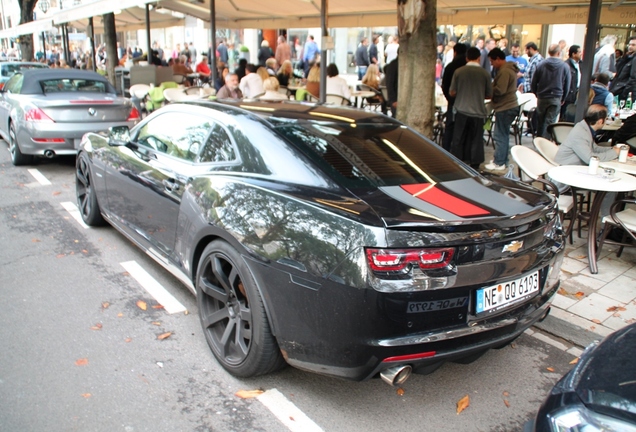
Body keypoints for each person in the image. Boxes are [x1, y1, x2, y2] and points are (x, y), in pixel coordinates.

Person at [449, 47, 493, 169]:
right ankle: (475, 163)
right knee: (476, 139)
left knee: (458, 137)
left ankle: (457, 161)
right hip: (478, 111)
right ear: (479, 58)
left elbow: (452, 92)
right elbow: (489, 94)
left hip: (461, 109)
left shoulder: (459, 72)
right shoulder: (485, 74)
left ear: (467, 58)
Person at [484, 48, 520, 171]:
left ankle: (499, 162)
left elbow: (500, 90)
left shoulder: (504, 71)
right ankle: (502, 160)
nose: (491, 64)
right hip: (509, 106)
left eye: (492, 61)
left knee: (500, 135)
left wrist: (490, 90)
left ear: (498, 59)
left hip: (505, 107)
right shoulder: (509, 69)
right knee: (503, 135)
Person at [555, 105, 619, 166]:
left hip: (574, 167)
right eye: (606, 119)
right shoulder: (580, 133)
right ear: (600, 121)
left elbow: (594, 148)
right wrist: (614, 153)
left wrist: (612, 149)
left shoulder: (585, 128)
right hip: (565, 169)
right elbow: (590, 159)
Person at [531, 44, 571, 139]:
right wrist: (564, 97)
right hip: (556, 96)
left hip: (542, 96)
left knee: (541, 120)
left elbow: (534, 81)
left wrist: (536, 93)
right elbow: (567, 84)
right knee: (550, 121)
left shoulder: (541, 64)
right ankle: (545, 142)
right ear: (558, 52)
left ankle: (539, 140)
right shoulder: (564, 66)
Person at [442, 42, 468, 152]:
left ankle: (446, 150)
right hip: (467, 102)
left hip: (453, 101)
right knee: (464, 129)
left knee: (450, 127)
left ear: (455, 52)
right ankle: (460, 152)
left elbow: (445, 85)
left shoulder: (450, 67)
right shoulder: (467, 67)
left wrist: (449, 98)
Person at [610, 36, 636, 102]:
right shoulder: (627, 57)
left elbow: (633, 78)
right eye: (629, 44)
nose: (630, 46)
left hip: (626, 92)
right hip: (619, 89)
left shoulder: (634, 59)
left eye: (633, 45)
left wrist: (625, 93)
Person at [562, 45, 581, 122]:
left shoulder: (582, 64)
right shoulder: (566, 65)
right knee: (566, 116)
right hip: (569, 95)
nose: (581, 54)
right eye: (579, 52)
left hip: (578, 93)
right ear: (574, 54)